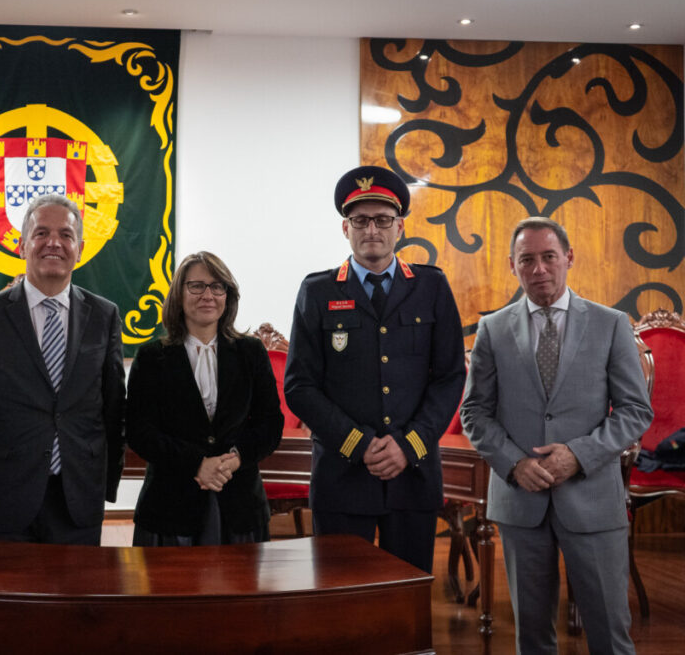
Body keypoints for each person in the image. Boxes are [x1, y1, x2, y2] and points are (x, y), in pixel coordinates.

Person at [461, 217, 652, 654]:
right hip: (520, 502)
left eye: (549, 257)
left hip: (592, 500)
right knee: (532, 638)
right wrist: (514, 464)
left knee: (609, 634)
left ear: (568, 258)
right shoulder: (492, 329)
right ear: (513, 265)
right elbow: (474, 412)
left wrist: (578, 455)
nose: (539, 269)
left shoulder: (611, 324)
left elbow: (635, 411)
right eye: (527, 260)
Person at [284, 165, 465, 573]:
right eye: (360, 220)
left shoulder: (431, 288)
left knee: (408, 596)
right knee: (340, 596)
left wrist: (409, 444)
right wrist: (359, 444)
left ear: (399, 227)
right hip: (342, 476)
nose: (371, 230)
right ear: (344, 228)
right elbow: (300, 385)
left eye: (382, 220)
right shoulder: (318, 292)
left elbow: (450, 376)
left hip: (412, 473)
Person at [0, 193, 125, 544]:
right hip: (2, 497)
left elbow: (114, 409)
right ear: (22, 244)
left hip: (78, 497)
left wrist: (107, 485)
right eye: (41, 233)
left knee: (74, 599)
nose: (53, 243)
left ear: (80, 248)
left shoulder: (104, 316)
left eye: (65, 235)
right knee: (2, 599)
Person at [126, 252, 283, 546]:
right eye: (196, 286)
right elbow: (139, 431)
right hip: (170, 507)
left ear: (228, 295)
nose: (207, 295)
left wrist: (235, 460)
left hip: (239, 504)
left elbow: (270, 425)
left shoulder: (250, 352)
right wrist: (197, 463)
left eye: (217, 286)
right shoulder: (151, 357)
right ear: (179, 295)